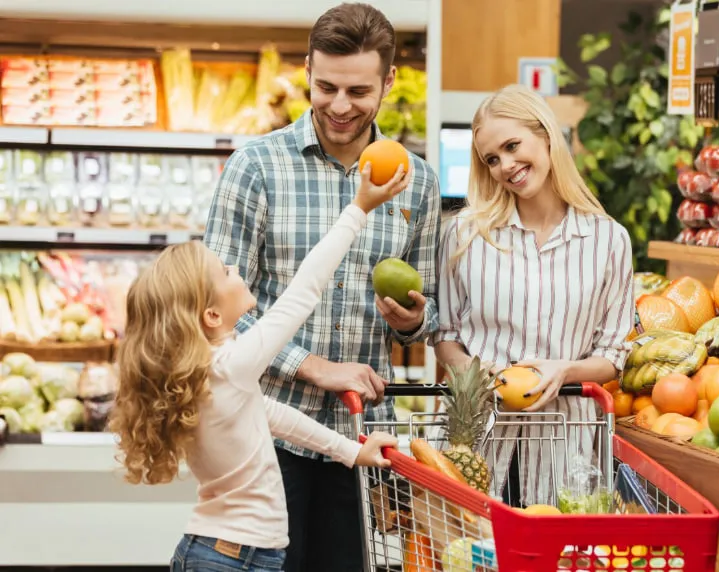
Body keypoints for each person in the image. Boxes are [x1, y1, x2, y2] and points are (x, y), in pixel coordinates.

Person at [201, 3, 441, 570]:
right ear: (307, 70)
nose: (338, 105)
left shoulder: (418, 181)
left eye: (358, 91)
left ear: (387, 83)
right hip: (262, 432)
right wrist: (308, 363)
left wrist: (412, 321)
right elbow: (210, 309)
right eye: (326, 85)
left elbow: (427, 311)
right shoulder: (255, 167)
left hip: (359, 440)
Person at [109, 164, 409, 571]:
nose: (235, 270)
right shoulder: (229, 367)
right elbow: (304, 290)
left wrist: (352, 453)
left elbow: (274, 415)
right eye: (225, 271)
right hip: (234, 560)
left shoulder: (212, 372)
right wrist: (358, 208)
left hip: (222, 553)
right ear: (212, 315)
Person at [430, 84, 634, 507]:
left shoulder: (608, 240)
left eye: (511, 146)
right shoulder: (466, 235)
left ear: (544, 134)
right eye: (492, 158)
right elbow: (445, 334)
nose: (506, 165)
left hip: (566, 446)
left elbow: (614, 355)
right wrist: (476, 375)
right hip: (478, 441)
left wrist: (565, 370)